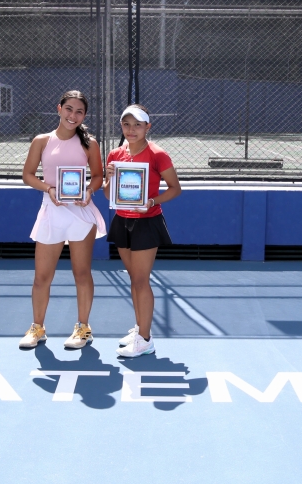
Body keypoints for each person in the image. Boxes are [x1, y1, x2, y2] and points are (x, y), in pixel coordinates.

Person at [19, 90, 106, 350]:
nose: (73, 115)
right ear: (59, 109)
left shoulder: (90, 143)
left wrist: (89, 191)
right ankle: (37, 328)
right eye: (69, 109)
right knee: (41, 277)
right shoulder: (41, 141)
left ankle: (83, 328)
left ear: (84, 116)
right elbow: (28, 175)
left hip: (81, 215)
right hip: (51, 212)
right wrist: (49, 189)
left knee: (82, 273)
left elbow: (98, 176)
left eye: (79, 112)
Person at [104, 104, 182, 357]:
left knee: (140, 280)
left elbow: (175, 189)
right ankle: (140, 328)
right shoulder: (115, 154)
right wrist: (109, 177)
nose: (131, 129)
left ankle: (146, 340)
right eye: (126, 124)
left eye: (137, 125)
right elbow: (108, 194)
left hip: (147, 222)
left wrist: (152, 201)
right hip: (122, 220)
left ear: (148, 127)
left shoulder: (158, 154)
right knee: (134, 279)